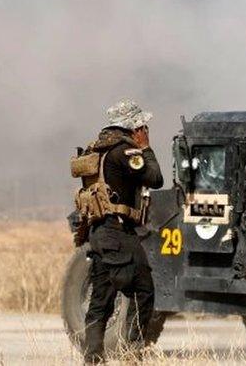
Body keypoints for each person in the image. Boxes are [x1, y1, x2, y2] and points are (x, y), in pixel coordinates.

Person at [83, 99, 164, 364]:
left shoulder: (100, 150)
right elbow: (154, 178)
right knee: (144, 290)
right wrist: (147, 149)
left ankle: (93, 358)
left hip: (100, 233)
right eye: (141, 125)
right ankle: (133, 352)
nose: (144, 129)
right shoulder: (126, 152)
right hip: (118, 233)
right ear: (133, 127)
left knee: (101, 299)